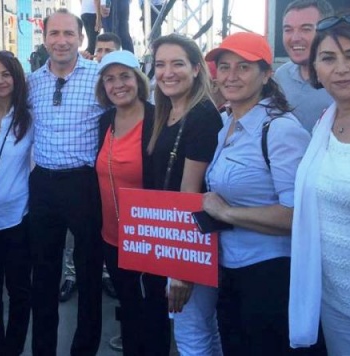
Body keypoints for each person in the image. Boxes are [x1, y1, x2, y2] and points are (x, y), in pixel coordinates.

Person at [202, 32, 311, 355]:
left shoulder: (281, 130)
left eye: (243, 67)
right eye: (224, 67)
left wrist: (226, 213)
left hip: (269, 274)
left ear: (266, 75)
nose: (231, 76)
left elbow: (297, 216)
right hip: (230, 268)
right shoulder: (225, 121)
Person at [290, 11, 350, 354]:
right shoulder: (323, 122)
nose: (341, 68)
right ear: (316, 69)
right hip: (337, 303)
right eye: (328, 58)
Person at [27, 9, 105, 355]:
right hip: (42, 184)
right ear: (44, 38)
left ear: (80, 37)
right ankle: (43, 348)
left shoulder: (101, 77)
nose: (61, 41)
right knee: (42, 275)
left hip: (85, 185)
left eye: (68, 33)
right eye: (54, 33)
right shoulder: (32, 82)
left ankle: (83, 349)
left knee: (89, 274)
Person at [148, 34, 224, 356]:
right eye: (160, 64)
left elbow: (190, 192)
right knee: (206, 329)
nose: (168, 72)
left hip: (190, 240)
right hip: (177, 237)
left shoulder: (202, 115)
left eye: (177, 63)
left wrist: (182, 267)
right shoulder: (166, 112)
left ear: (196, 69)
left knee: (191, 334)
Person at [93, 49, 163, 355]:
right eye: (109, 79)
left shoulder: (158, 120)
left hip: (148, 239)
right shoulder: (105, 120)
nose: (117, 84)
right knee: (130, 309)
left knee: (154, 314)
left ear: (139, 80)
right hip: (112, 237)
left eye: (125, 76)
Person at [0, 50, 33, 356]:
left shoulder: (28, 117)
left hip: (17, 219)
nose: (0, 81)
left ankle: (13, 349)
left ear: (16, 78)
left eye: (6, 74)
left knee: (20, 292)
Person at [60, 31, 121, 304]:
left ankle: (105, 274)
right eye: (100, 50)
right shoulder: (93, 77)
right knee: (71, 238)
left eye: (109, 50)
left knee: (102, 230)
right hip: (71, 176)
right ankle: (70, 275)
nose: (103, 55)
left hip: (98, 174)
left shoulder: (111, 83)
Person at [274, 0, 334, 132]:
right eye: (288, 30)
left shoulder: (343, 78)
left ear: (327, 30)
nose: (295, 38)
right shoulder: (281, 76)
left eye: (306, 29)